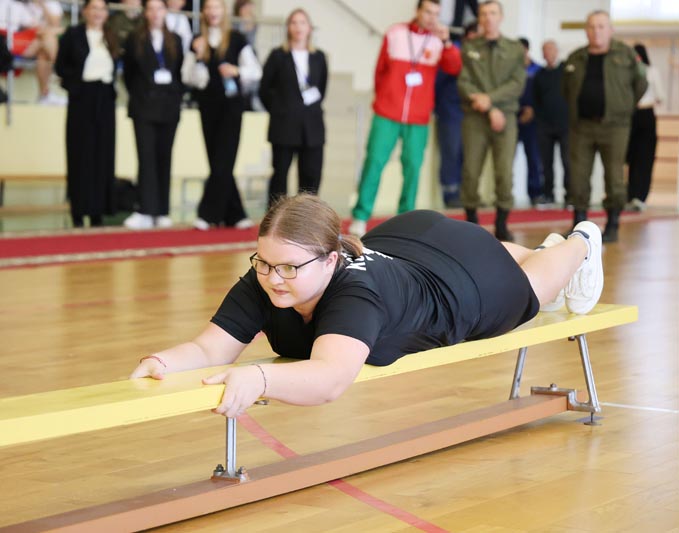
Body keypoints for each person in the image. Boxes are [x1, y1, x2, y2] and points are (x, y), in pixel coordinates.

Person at [130, 194, 604, 418]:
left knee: (531, 289)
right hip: (411, 238)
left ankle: (581, 241)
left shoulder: (355, 295)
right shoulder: (271, 276)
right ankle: (544, 246)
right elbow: (211, 349)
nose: (274, 278)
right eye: (264, 263)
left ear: (331, 259)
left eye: (290, 267)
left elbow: (329, 379)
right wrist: (161, 362)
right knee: (495, 249)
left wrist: (259, 377)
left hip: (464, 286)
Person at [348, 0, 462, 237]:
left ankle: (404, 218)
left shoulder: (438, 41)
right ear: (418, 11)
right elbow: (380, 71)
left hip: (418, 118)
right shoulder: (395, 33)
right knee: (374, 163)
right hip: (387, 113)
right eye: (428, 12)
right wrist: (384, 99)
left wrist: (447, 42)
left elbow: (454, 67)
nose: (432, 18)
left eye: (436, 14)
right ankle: (360, 216)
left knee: (412, 168)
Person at [562, 10, 647, 243]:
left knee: (614, 177)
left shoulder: (626, 55)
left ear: (610, 30)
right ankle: (579, 224)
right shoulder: (576, 58)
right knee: (578, 177)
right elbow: (566, 88)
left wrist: (623, 107)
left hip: (615, 127)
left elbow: (641, 83)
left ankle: (612, 224)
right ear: (586, 30)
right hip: (582, 126)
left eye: (601, 26)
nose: (596, 31)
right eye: (591, 27)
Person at [181, 0, 262, 230]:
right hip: (208, 107)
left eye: (216, 7)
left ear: (223, 11)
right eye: (208, 8)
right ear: (204, 12)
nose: (212, 12)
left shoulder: (236, 39)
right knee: (217, 161)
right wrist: (197, 56)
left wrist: (236, 70)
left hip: (232, 108)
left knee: (224, 159)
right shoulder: (198, 41)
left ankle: (207, 213)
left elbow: (256, 71)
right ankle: (235, 213)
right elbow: (188, 77)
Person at [457, 0, 525, 242]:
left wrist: (490, 101)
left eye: (492, 13)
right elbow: (464, 82)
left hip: (505, 118)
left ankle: (501, 224)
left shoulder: (515, 48)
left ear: (501, 17)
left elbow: (517, 83)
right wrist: (486, 107)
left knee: (504, 172)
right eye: (483, 14)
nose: (488, 18)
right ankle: (472, 222)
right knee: (471, 171)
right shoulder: (469, 47)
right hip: (475, 117)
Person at [55, 0, 118, 228]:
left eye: (102, 9)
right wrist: (75, 83)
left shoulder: (111, 36)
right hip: (82, 97)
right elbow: (60, 67)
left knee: (103, 153)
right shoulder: (73, 35)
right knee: (80, 153)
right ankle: (79, 210)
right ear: (85, 11)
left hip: (105, 98)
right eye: (94, 8)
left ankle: (99, 210)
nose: (98, 13)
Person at [122, 0, 184, 230]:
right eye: (151, 9)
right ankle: (145, 209)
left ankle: (162, 210)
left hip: (168, 106)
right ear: (145, 13)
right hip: (143, 106)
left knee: (164, 157)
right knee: (146, 157)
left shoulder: (175, 40)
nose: (155, 13)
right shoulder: (134, 39)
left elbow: (179, 73)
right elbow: (128, 74)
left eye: (160, 9)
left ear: (165, 12)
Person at [258, 8, 327, 206]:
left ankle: (306, 219)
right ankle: (275, 221)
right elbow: (264, 90)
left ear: (310, 28)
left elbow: (321, 89)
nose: (298, 27)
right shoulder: (278, 55)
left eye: (302, 22)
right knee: (280, 174)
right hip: (284, 124)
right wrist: (280, 108)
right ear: (288, 27)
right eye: (294, 23)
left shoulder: (319, 57)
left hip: (312, 126)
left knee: (311, 175)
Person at [434, 20, 478, 209]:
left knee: (466, 154)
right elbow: (438, 80)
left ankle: (465, 194)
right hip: (449, 112)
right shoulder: (454, 53)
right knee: (450, 152)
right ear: (468, 36)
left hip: (469, 113)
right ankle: (450, 193)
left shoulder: (478, 56)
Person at [0, 0, 65, 104]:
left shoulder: (23, 5)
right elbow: (34, 28)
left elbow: (46, 26)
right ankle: (61, 70)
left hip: (24, 41)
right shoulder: (15, 4)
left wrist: (42, 5)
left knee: (43, 53)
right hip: (6, 42)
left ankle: (44, 95)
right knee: (47, 36)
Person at [626, 43, 664, 212]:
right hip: (630, 116)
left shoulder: (652, 71)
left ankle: (640, 196)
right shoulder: (627, 72)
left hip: (646, 115)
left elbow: (661, 95)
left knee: (645, 157)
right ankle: (630, 194)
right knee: (631, 157)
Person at [533, 39, 569, 207]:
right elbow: (535, 100)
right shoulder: (539, 75)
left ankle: (570, 196)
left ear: (557, 51)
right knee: (546, 163)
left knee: (568, 162)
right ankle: (548, 194)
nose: (548, 53)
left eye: (551, 50)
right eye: (545, 50)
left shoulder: (566, 71)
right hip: (544, 126)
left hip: (565, 125)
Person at [517, 37, 544, 207]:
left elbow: (543, 95)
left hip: (533, 120)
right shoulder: (510, 69)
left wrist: (532, 109)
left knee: (534, 157)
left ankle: (535, 193)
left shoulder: (537, 70)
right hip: (513, 117)